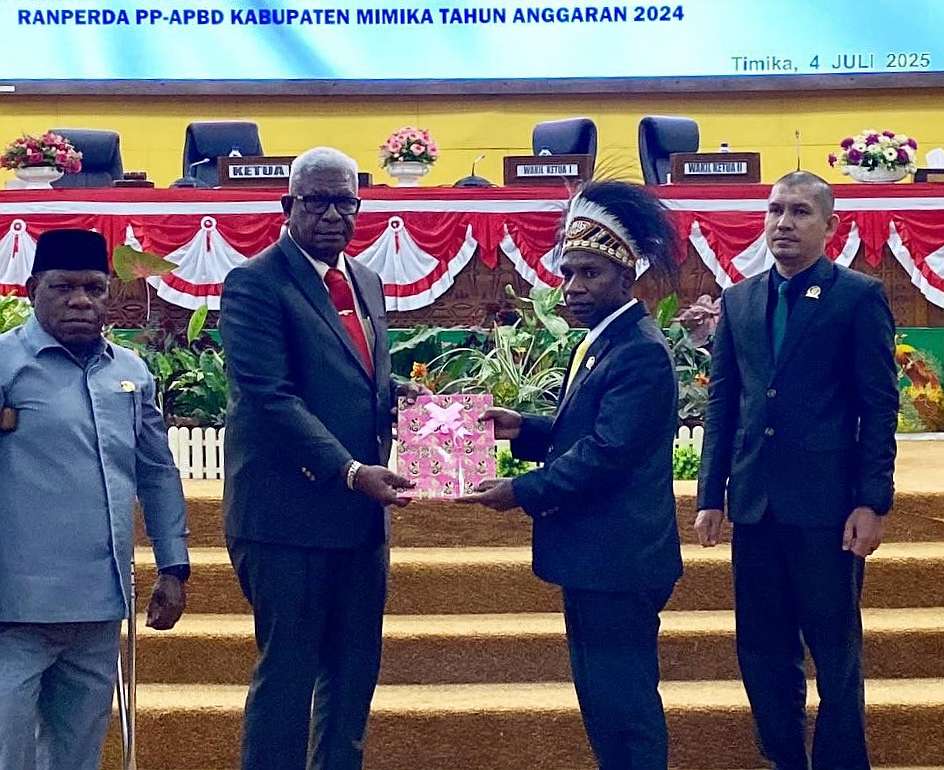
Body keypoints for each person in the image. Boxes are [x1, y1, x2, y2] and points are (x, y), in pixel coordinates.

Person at [461, 180, 684, 770]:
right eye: (568, 273)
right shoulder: (608, 338)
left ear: (625, 275)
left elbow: (608, 454)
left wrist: (518, 492)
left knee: (625, 708)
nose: (573, 288)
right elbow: (591, 431)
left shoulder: (637, 349)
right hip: (600, 557)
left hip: (619, 560)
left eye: (590, 274)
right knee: (604, 704)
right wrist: (525, 429)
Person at [694, 170, 899, 770]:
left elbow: (878, 406)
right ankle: (783, 759)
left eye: (801, 212)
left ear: (831, 226)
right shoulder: (740, 299)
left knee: (836, 657)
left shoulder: (857, 296)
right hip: (756, 506)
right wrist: (712, 495)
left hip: (827, 509)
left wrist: (872, 501)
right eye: (776, 210)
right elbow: (723, 403)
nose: (784, 223)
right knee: (761, 651)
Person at [219, 147, 415, 770]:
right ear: (288, 206)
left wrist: (398, 399)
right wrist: (351, 470)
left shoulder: (367, 281)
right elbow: (268, 397)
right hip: (287, 519)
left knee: (354, 675)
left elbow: (350, 379)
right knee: (289, 677)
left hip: (358, 522)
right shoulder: (254, 283)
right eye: (317, 201)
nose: (333, 214)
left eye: (345, 202)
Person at [0, 228, 189, 770]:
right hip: (15, 610)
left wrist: (173, 566)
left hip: (98, 606)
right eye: (63, 288)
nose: (81, 301)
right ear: (33, 288)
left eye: (94, 288)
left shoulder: (131, 373)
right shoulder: (7, 366)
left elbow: (156, 471)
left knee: (77, 758)